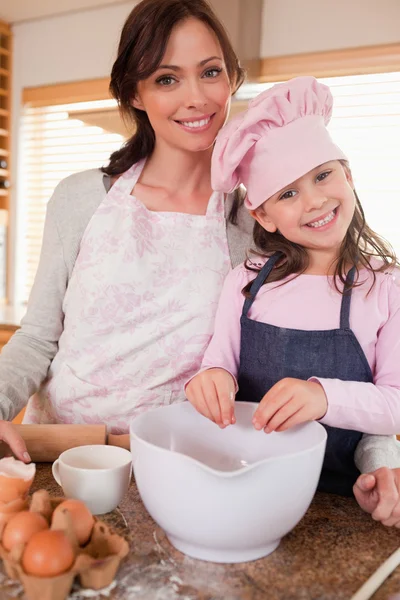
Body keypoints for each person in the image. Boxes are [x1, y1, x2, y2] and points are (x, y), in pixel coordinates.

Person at [0, 1, 397, 523]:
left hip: (190, 475)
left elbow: (340, 370)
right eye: (167, 79)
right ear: (134, 93)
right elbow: (36, 339)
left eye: (210, 72)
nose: (195, 97)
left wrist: (383, 461)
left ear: (231, 79)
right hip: (64, 462)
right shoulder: (81, 199)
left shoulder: (262, 223)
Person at [186, 76, 400, 500]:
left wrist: (322, 396)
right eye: (288, 193)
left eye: (323, 175)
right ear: (263, 215)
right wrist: (209, 380)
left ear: (349, 175)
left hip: (342, 498)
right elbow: (218, 365)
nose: (315, 201)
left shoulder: (385, 287)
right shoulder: (245, 283)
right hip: (246, 488)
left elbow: (394, 404)